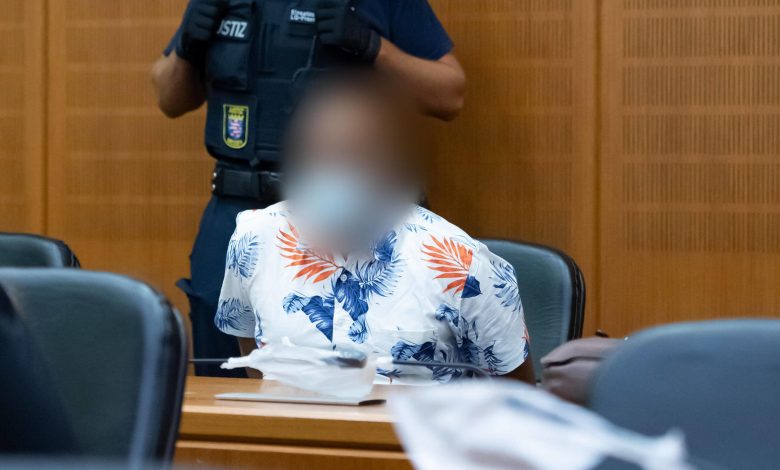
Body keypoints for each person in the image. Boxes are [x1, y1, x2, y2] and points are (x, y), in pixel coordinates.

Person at [150, 0, 466, 377]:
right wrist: (188, 46)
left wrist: (372, 46)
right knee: (225, 373)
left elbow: (449, 94)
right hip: (235, 211)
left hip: (343, 218)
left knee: (350, 374)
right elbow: (169, 98)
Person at [216, 72, 534, 383]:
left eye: (355, 156)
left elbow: (516, 399)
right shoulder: (255, 239)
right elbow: (251, 352)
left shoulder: (465, 265)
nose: (334, 172)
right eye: (319, 156)